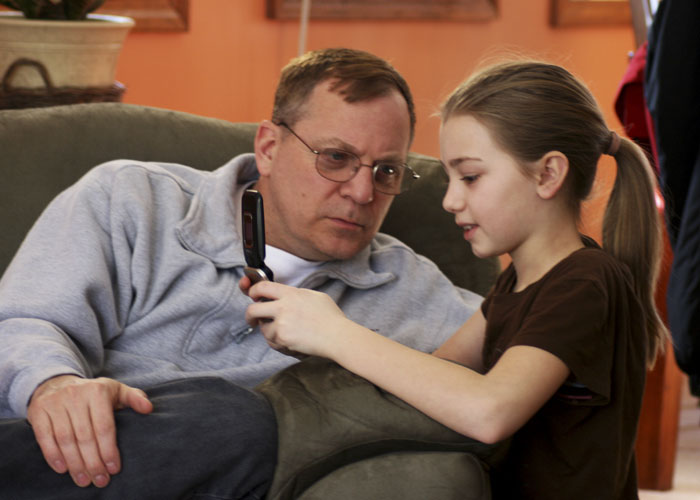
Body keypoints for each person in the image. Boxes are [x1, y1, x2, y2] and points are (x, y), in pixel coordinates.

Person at [0, 48, 482, 498]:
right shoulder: (132, 199)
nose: (362, 193)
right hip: (60, 456)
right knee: (240, 418)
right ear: (269, 147)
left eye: (387, 171)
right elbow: (24, 321)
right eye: (336, 158)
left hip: (231, 471)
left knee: (248, 420)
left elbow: (516, 341)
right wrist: (54, 384)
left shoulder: (409, 286)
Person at [245, 60, 669, 499]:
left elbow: (490, 411)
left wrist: (338, 334)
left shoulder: (584, 282)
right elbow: (440, 373)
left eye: (470, 177)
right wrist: (314, 340)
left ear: (548, 174)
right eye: (450, 179)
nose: (450, 200)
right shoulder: (518, 282)